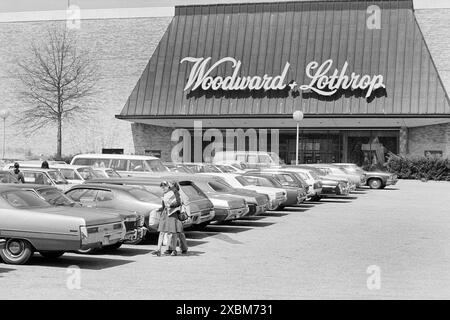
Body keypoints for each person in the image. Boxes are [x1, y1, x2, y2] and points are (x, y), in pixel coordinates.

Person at [151, 181, 184, 256]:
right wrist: (159, 209)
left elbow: (179, 202)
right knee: (161, 232)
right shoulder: (164, 194)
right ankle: (158, 250)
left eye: (164, 186)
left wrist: (171, 205)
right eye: (162, 187)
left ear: (168, 186)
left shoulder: (174, 192)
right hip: (165, 214)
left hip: (173, 214)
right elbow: (163, 206)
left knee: (173, 232)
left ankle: (174, 250)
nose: (163, 188)